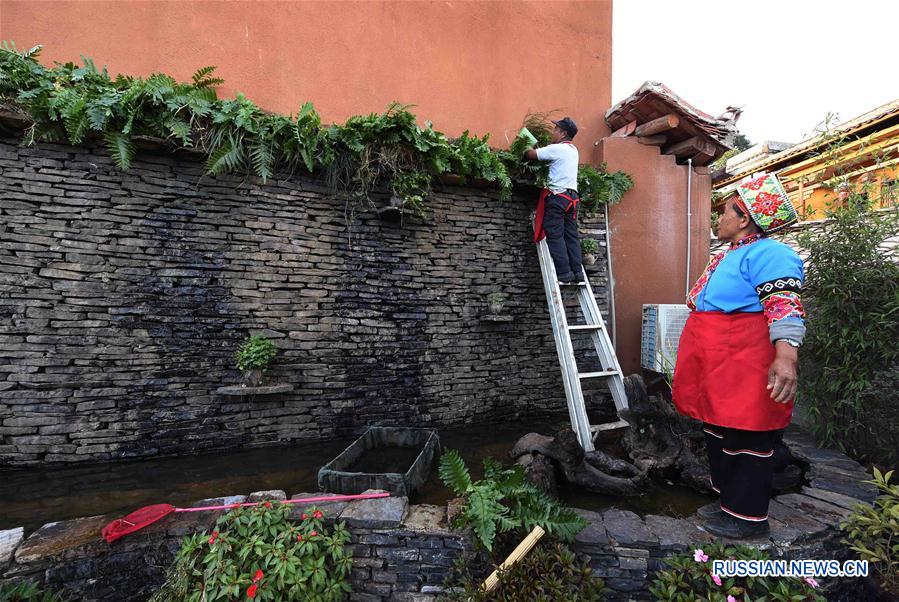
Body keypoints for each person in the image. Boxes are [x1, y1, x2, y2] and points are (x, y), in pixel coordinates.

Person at [672, 172, 805, 539]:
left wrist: (785, 356)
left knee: (748, 437)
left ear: (743, 218)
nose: (719, 219)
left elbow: (784, 305)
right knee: (720, 432)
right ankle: (728, 503)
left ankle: (748, 519)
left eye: (724, 211)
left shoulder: (771, 253)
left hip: (744, 360)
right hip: (720, 360)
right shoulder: (731, 255)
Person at [525, 117, 584, 284]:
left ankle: (564, 274)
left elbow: (531, 154)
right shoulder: (574, 151)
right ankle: (577, 273)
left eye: (555, 129)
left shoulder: (557, 149)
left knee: (555, 235)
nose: (553, 132)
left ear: (563, 133)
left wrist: (525, 140)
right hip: (572, 199)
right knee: (571, 236)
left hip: (558, 198)